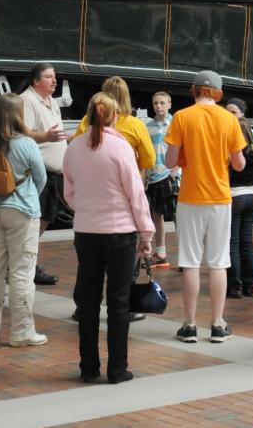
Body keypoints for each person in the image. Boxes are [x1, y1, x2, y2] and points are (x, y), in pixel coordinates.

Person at [64, 93, 154, 384]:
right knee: (118, 302)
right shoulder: (120, 148)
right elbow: (135, 193)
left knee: (87, 300)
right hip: (120, 233)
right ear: (115, 116)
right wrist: (147, 231)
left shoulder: (74, 147)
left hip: (86, 231)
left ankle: (88, 367)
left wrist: (88, 209)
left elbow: (69, 193)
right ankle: (117, 369)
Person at [164, 70, 246, 343]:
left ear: (195, 89)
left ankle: (189, 325)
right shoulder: (229, 119)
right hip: (220, 198)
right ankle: (218, 324)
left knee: (190, 262)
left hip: (190, 197)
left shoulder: (182, 117)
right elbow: (239, 164)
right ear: (218, 92)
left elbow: (169, 161)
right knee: (219, 262)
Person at [0, 93, 49, 347]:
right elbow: (41, 178)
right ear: (19, 114)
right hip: (21, 211)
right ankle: (21, 332)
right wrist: (27, 196)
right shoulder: (25, 143)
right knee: (21, 272)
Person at [20, 62, 67, 285]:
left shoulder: (50, 101)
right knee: (33, 220)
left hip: (52, 173)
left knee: (45, 217)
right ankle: (24, 265)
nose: (54, 80)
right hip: (38, 173)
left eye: (54, 76)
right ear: (36, 81)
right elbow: (24, 133)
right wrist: (47, 138)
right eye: (49, 77)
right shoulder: (27, 101)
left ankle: (27, 262)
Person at [225, 97, 253, 299]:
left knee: (233, 242)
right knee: (247, 241)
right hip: (250, 197)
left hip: (234, 197)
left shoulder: (231, 156)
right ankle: (250, 284)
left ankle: (235, 285)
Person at [144, 92, 179, 269]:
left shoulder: (175, 124)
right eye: (156, 103)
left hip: (169, 175)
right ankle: (161, 252)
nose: (158, 106)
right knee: (155, 215)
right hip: (153, 176)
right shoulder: (148, 126)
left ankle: (185, 256)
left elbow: (183, 148)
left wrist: (174, 171)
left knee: (176, 216)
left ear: (169, 104)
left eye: (162, 103)